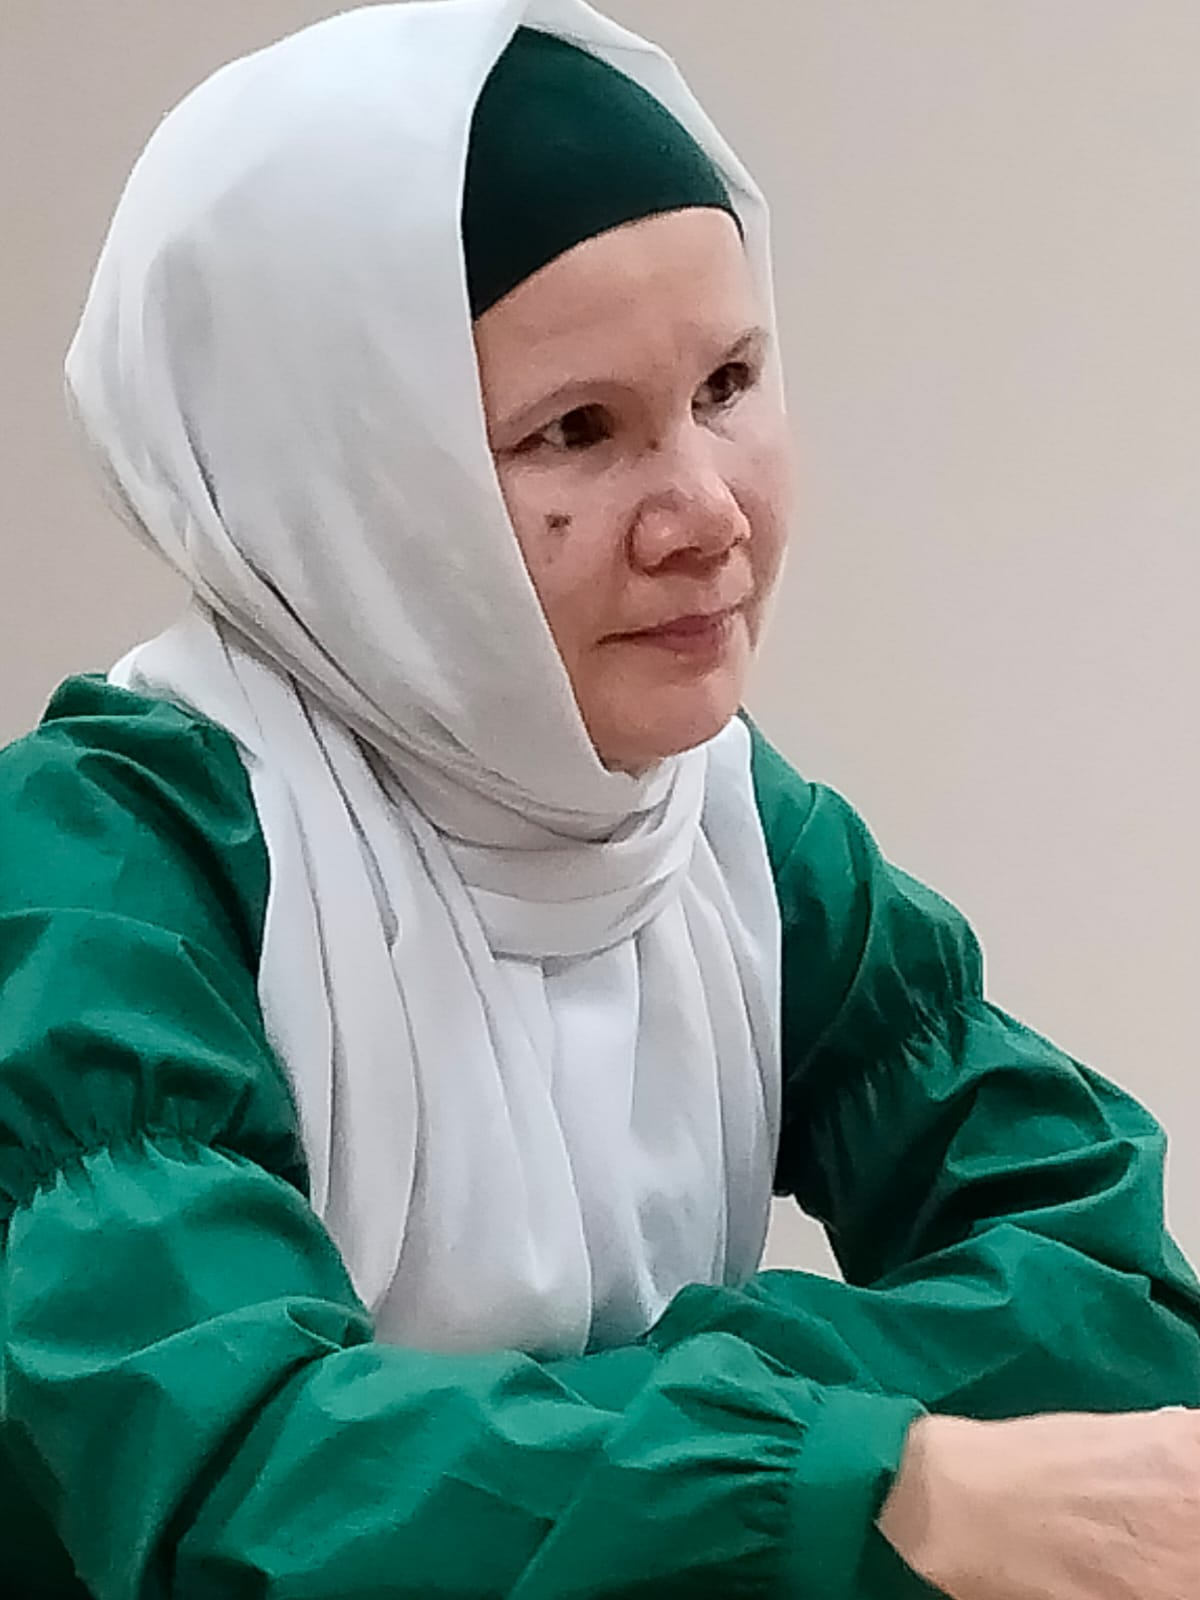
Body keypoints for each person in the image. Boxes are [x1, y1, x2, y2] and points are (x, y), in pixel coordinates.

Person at [2, 3, 1199, 1596]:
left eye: (729, 382)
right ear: (349, 475)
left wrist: (631, 1450)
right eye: (575, 430)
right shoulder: (105, 876)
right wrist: (869, 1480)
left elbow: (1113, 1301)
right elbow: (242, 1488)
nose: (706, 513)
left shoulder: (728, 828)